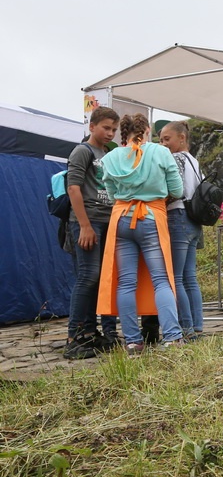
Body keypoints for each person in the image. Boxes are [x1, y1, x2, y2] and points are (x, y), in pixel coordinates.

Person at [98, 113, 184, 352]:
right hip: (152, 217)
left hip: (122, 219)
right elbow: (177, 189)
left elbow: (113, 194)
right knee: (161, 279)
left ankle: (133, 342)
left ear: (123, 133)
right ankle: (172, 337)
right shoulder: (160, 152)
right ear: (146, 130)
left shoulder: (111, 157)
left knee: (125, 282)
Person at [63, 106, 120, 359]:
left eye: (114, 130)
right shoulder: (82, 151)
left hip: (108, 221)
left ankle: (91, 333)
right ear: (92, 126)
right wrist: (84, 225)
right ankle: (73, 338)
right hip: (87, 221)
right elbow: (73, 188)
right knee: (88, 276)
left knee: (103, 278)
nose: (110, 133)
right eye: (106, 128)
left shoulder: (107, 152)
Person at [159, 121, 205, 341]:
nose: (163, 144)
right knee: (190, 278)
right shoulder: (195, 162)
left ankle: (185, 328)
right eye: (161, 139)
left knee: (176, 278)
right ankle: (197, 326)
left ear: (182, 138)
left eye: (167, 139)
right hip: (195, 222)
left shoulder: (176, 159)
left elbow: (174, 191)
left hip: (178, 217)